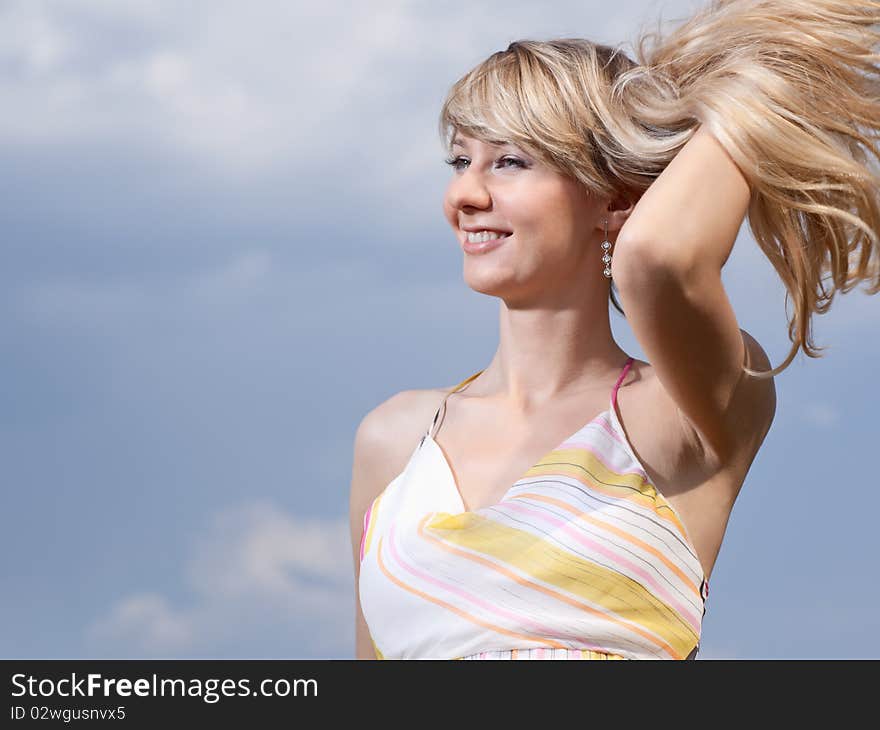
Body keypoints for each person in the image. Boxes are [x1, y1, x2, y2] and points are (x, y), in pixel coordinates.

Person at [349, 0, 880, 660]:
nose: (465, 195)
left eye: (511, 161)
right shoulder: (394, 439)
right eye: (461, 161)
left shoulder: (677, 416)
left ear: (615, 199)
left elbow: (658, 259)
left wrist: (744, 80)